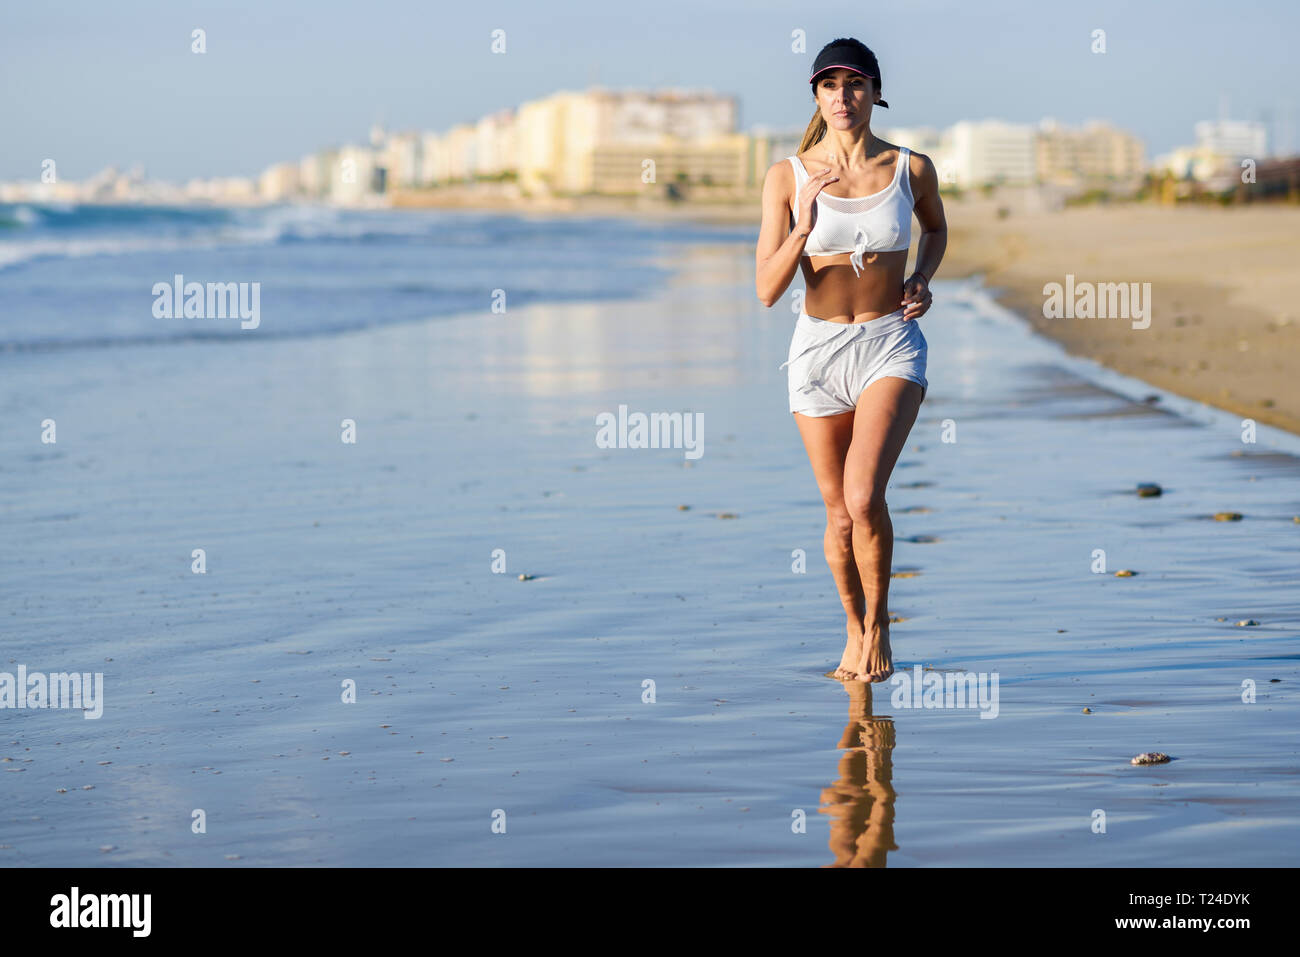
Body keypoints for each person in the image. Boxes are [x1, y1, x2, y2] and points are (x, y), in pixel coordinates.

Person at [755, 37, 947, 682]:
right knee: (838, 511)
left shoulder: (910, 167)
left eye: (856, 83)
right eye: (830, 85)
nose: (843, 96)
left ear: (875, 93)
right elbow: (765, 289)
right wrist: (804, 224)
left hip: (888, 341)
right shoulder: (786, 175)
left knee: (865, 497)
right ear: (816, 95)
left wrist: (922, 276)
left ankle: (881, 623)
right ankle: (851, 624)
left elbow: (937, 228)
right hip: (816, 352)